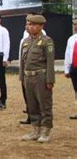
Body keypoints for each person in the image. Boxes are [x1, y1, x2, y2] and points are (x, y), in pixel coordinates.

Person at [20, 14, 55, 143]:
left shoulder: (47, 41)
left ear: (41, 26)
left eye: (34, 24)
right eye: (29, 24)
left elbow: (50, 62)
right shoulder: (26, 42)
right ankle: (35, 130)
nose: (31, 27)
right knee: (32, 105)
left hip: (41, 76)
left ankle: (45, 131)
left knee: (44, 104)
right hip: (28, 77)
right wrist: (21, 78)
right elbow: (22, 62)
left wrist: (50, 80)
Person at [64, 20, 77, 120]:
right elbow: (68, 54)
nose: (75, 26)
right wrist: (67, 69)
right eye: (74, 24)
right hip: (74, 68)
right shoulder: (71, 39)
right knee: (76, 90)